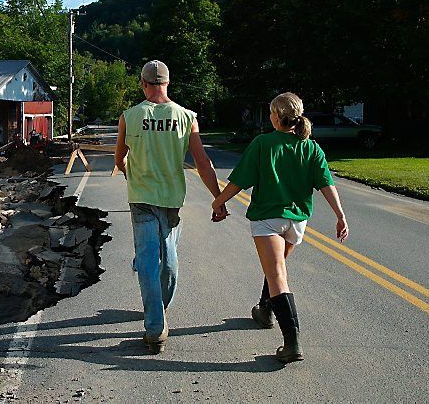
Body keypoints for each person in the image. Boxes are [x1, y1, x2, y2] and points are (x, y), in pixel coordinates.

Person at [212, 93, 349, 363]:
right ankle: (265, 309)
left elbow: (240, 180)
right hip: (297, 220)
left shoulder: (263, 143)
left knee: (276, 274)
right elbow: (326, 184)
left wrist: (218, 201)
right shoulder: (311, 148)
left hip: (268, 218)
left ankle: (292, 343)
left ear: (276, 116)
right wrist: (340, 215)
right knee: (276, 268)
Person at [114, 60, 227, 353]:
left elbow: (119, 159)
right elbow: (202, 162)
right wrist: (218, 199)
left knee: (149, 261)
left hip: (141, 198)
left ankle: (155, 327)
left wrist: (130, 171)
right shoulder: (187, 117)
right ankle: (158, 311)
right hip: (172, 200)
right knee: (169, 258)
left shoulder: (130, 116)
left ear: (143, 83)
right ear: (168, 83)